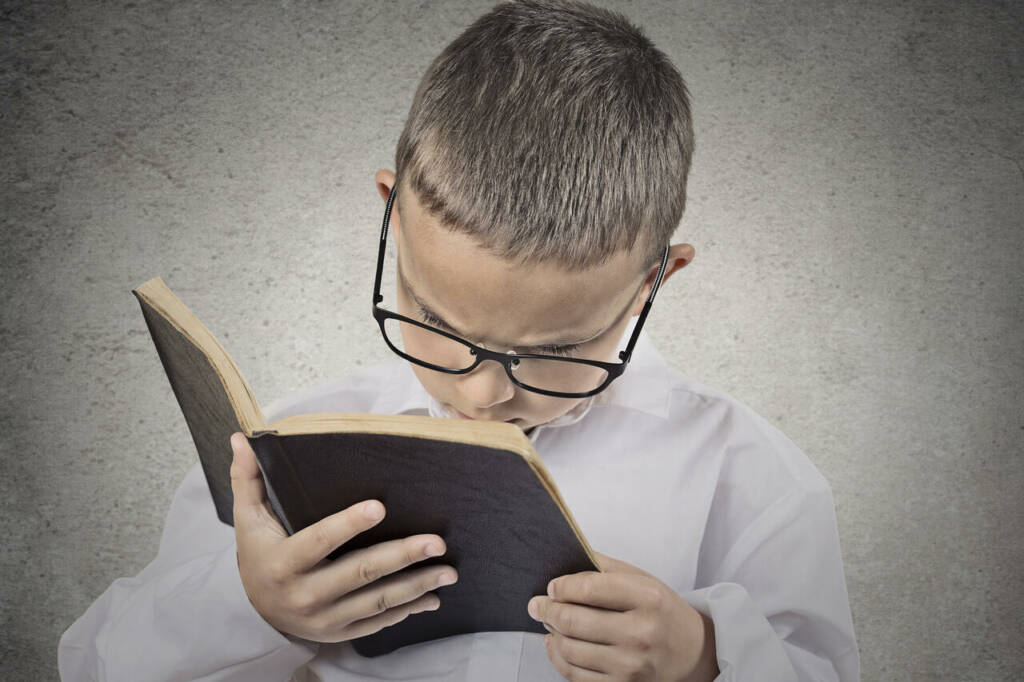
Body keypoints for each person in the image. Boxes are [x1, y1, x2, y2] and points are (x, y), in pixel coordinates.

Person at [58, 1, 859, 680]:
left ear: (657, 279)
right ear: (391, 215)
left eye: (554, 350)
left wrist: (707, 656)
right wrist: (254, 607)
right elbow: (93, 661)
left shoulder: (748, 477)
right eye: (437, 324)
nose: (484, 395)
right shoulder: (286, 452)